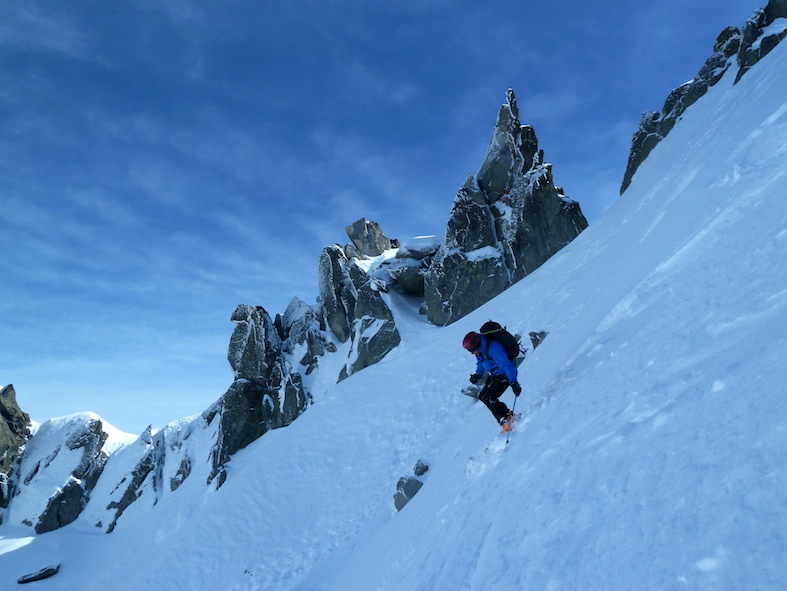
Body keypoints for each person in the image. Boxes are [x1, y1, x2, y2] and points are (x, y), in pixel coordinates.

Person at [463, 331, 522, 428]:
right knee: (483, 395)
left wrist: (513, 382)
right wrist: (478, 375)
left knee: (488, 397)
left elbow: (507, 366)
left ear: (476, 345)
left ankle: (506, 419)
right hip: (495, 374)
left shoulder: (493, 349)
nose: (472, 353)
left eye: (472, 350)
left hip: (505, 375)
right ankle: (508, 417)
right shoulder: (481, 350)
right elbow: (481, 362)